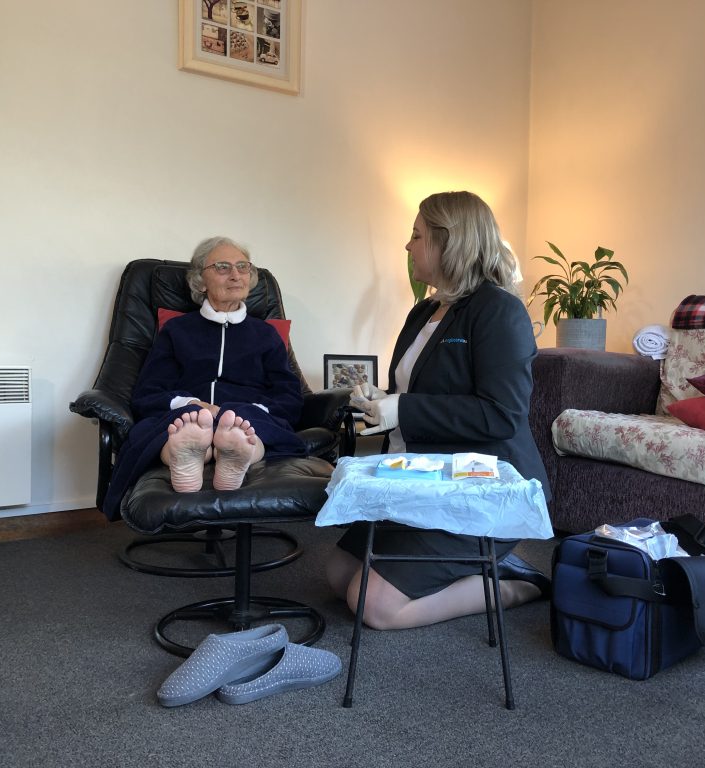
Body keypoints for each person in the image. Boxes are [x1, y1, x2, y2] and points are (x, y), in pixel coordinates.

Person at [325, 191, 553, 630]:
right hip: (422, 482)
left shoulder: (498, 311)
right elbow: (419, 390)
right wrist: (383, 397)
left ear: (451, 242)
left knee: (373, 605)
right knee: (337, 575)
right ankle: (471, 570)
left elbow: (502, 414)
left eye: (417, 235)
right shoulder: (424, 311)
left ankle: (511, 584)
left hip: (479, 492)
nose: (408, 246)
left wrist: (403, 409)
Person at [101, 236, 306, 521]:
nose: (235, 275)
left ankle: (234, 451)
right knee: (186, 424)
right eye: (222, 267)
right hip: (187, 414)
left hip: (247, 414)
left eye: (242, 267)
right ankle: (186, 453)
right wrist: (195, 405)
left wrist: (232, 414)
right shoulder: (176, 331)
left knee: (244, 426)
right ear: (200, 281)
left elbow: (288, 396)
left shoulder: (266, 335)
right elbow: (149, 391)